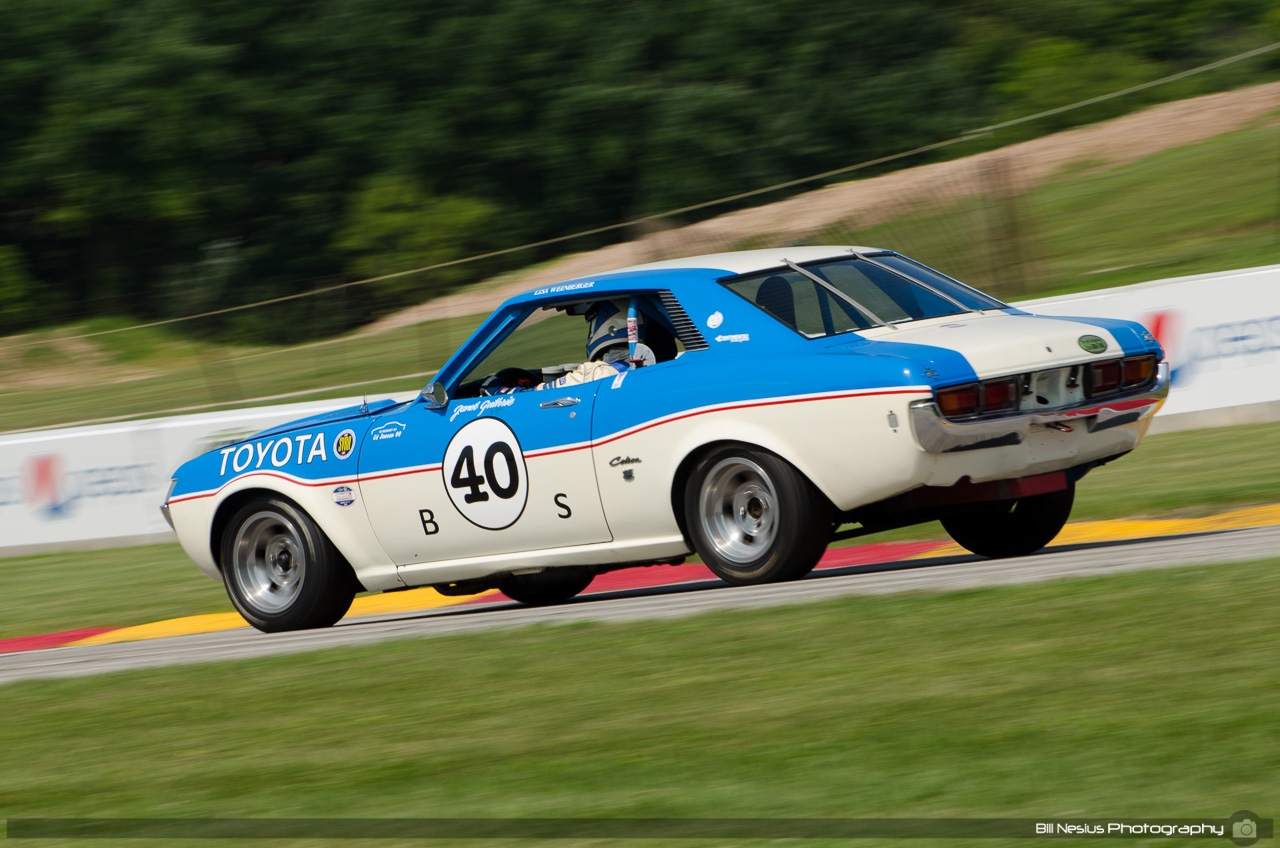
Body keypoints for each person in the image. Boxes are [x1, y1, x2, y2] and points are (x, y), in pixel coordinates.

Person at [480, 298, 655, 395]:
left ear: (610, 325)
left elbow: (531, 397)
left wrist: (497, 390)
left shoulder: (597, 373)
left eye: (593, 320)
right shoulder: (652, 364)